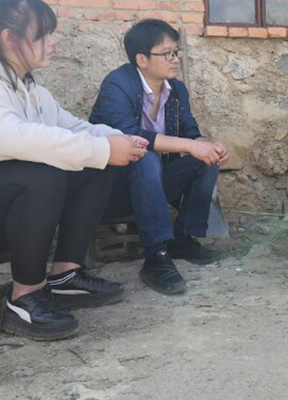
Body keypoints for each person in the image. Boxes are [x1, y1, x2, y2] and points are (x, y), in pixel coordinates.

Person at [0, 0, 146, 341]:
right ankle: (24, 296)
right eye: (42, 35)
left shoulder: (25, 86)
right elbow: (19, 139)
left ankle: (66, 276)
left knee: (95, 163)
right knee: (40, 174)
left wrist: (115, 140)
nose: (52, 43)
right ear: (9, 38)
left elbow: (71, 127)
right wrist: (102, 148)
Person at [90, 19, 228, 295]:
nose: (175, 59)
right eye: (167, 54)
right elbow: (129, 135)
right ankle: (157, 256)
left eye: (176, 52)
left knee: (205, 161)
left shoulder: (175, 91)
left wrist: (207, 146)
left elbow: (191, 133)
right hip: (110, 188)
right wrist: (190, 146)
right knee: (144, 155)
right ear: (141, 59)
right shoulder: (117, 84)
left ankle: (182, 240)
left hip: (153, 186)